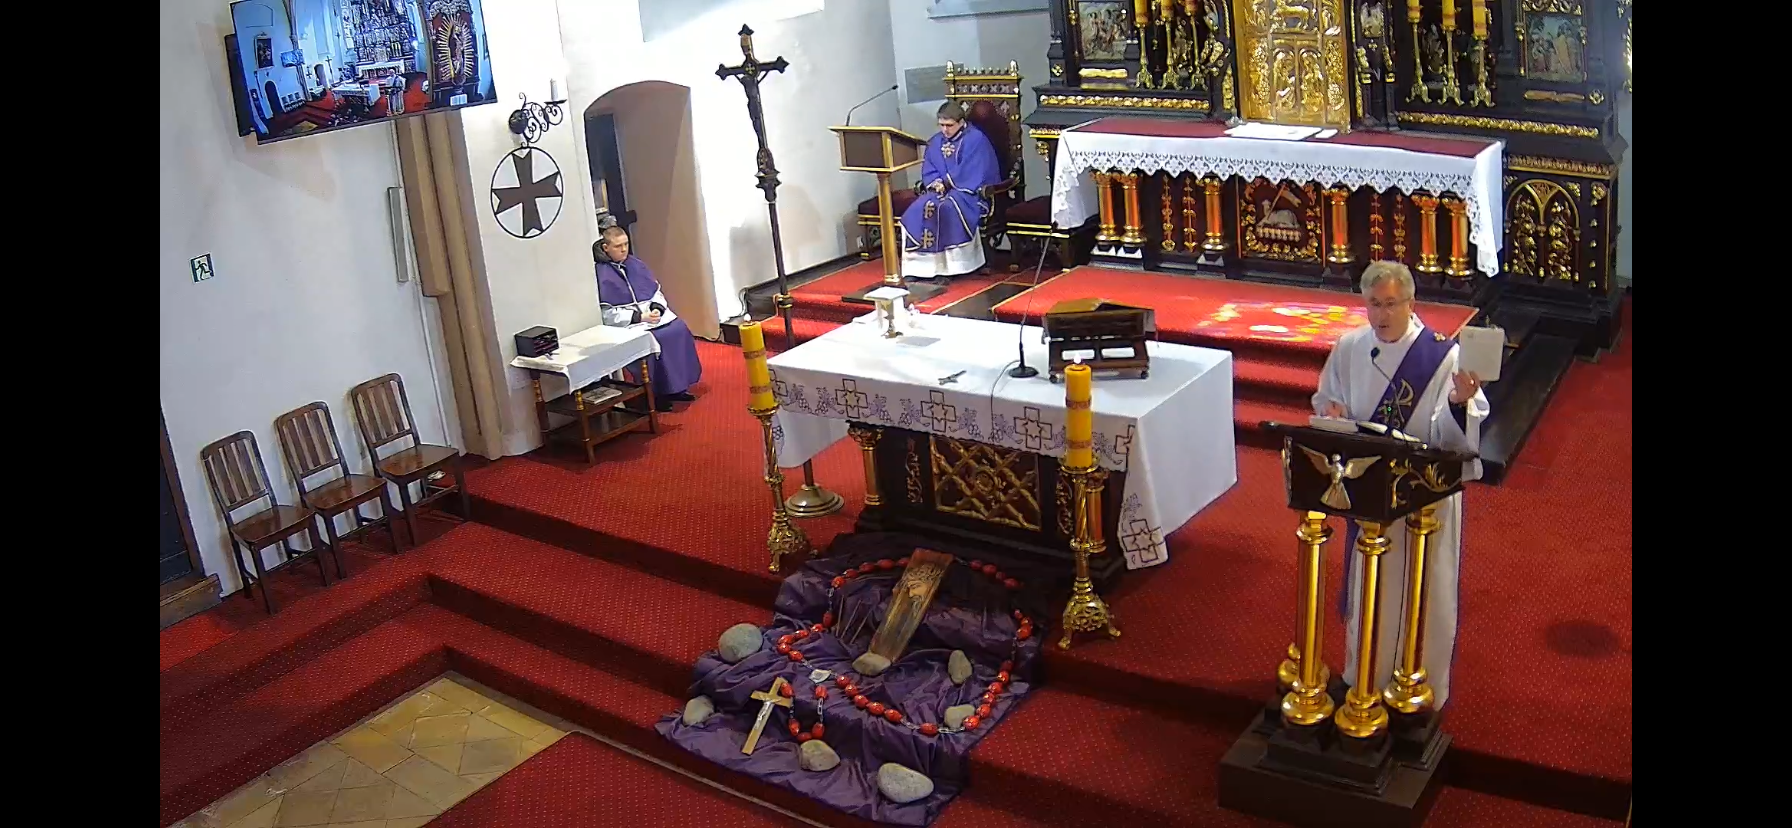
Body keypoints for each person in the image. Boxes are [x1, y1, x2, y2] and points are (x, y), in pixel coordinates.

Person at [1311, 260, 1488, 711]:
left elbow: (1453, 438)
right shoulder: (1351, 347)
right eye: (1374, 304)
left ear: (1411, 303)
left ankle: (1417, 683)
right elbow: (1327, 398)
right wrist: (1332, 412)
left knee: (1422, 590)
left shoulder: (1442, 357)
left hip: (1423, 499)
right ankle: (1363, 676)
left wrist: (1458, 400)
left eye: (1391, 304)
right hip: (1370, 491)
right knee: (1371, 589)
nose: (1382, 314)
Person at [594, 225, 702, 412]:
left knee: (678, 329)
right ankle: (655, 394)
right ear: (606, 248)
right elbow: (606, 313)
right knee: (655, 340)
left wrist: (656, 309)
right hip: (629, 323)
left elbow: (656, 291)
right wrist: (639, 317)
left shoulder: (635, 264)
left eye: (626, 244)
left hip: (650, 316)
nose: (624, 249)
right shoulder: (600, 273)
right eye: (618, 246)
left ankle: (677, 388)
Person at [898, 101, 1002, 280]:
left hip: (967, 193)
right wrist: (935, 182)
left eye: (949, 125)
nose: (945, 130)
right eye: (941, 125)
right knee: (919, 208)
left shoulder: (976, 139)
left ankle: (952, 267)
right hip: (939, 191)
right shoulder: (935, 141)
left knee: (946, 208)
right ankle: (922, 267)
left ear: (961, 122)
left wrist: (947, 183)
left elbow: (974, 170)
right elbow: (930, 167)